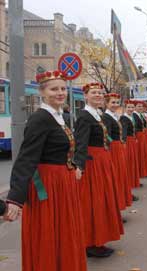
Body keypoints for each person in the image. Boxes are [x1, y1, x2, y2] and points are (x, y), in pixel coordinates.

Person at [3, 70, 87, 271]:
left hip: (62, 183)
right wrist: (15, 199)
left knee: (64, 233)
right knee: (50, 234)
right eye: (53, 89)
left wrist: (73, 165)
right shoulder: (40, 119)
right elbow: (26, 158)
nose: (60, 93)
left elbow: (59, 149)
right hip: (48, 186)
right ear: (42, 92)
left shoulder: (59, 116)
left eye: (62, 89)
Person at [74, 82, 123, 258]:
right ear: (85, 96)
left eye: (100, 93)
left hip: (101, 160)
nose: (98, 95)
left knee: (102, 201)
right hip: (92, 164)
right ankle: (90, 242)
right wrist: (80, 166)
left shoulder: (97, 115)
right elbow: (80, 143)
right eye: (94, 93)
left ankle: (99, 239)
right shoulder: (84, 116)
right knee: (93, 203)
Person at [103, 93, 132, 210]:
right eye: (112, 102)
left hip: (118, 148)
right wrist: (114, 145)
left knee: (121, 177)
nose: (115, 105)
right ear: (106, 103)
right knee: (117, 178)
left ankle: (120, 205)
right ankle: (116, 207)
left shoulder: (114, 116)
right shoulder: (106, 117)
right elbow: (107, 136)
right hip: (113, 149)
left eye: (117, 102)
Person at [120, 100, 141, 200]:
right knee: (128, 163)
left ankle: (131, 185)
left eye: (132, 107)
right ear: (125, 108)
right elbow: (123, 131)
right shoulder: (124, 118)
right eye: (128, 107)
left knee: (132, 162)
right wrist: (123, 142)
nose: (131, 109)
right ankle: (129, 189)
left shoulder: (131, 117)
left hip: (131, 141)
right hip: (127, 142)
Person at [133, 101, 147, 178]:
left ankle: (143, 171)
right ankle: (140, 172)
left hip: (142, 135)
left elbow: (145, 124)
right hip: (138, 136)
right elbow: (135, 127)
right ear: (135, 107)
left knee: (143, 153)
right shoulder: (134, 115)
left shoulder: (140, 115)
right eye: (139, 106)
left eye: (141, 106)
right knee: (139, 154)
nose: (140, 108)